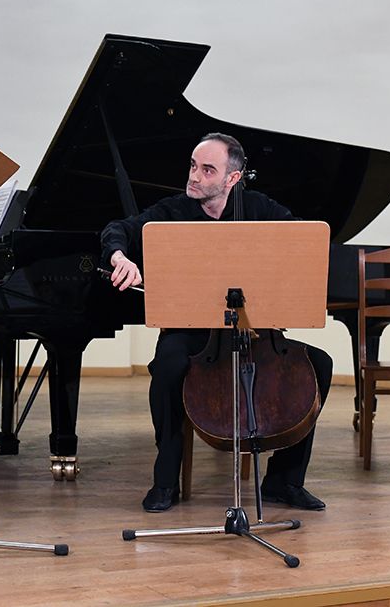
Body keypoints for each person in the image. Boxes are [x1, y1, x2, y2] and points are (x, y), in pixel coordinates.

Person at [102, 132, 334, 512]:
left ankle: (284, 480)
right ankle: (166, 479)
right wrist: (119, 257)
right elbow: (120, 229)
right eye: (193, 166)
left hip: (254, 332)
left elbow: (301, 242)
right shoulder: (172, 211)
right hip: (191, 332)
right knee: (168, 366)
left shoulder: (259, 208)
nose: (195, 176)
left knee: (318, 364)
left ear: (232, 178)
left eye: (208, 170)